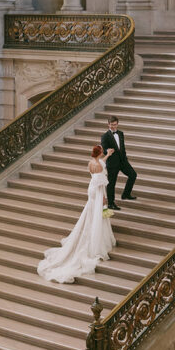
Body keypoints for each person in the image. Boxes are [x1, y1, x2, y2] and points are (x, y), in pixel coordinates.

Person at [37, 145, 115, 284]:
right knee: (96, 213)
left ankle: (90, 228)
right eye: (103, 151)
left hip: (91, 189)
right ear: (99, 153)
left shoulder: (92, 162)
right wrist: (104, 198)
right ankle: (95, 237)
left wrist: (108, 155)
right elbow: (101, 183)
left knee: (89, 212)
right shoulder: (99, 166)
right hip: (97, 191)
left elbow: (100, 164)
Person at [101, 115, 137, 210]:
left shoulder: (120, 133)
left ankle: (126, 194)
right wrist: (108, 151)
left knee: (133, 175)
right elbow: (104, 150)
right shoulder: (105, 136)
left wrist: (125, 158)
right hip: (112, 163)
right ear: (108, 124)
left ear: (117, 124)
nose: (114, 127)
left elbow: (122, 147)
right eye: (112, 125)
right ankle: (111, 203)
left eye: (115, 124)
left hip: (123, 161)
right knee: (111, 184)